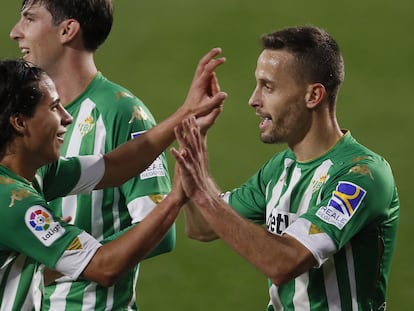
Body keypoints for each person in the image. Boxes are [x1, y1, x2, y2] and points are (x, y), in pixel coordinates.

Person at [171, 26, 400, 310]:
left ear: (313, 96)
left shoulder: (362, 175)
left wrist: (203, 195)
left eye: (268, 87)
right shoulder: (280, 169)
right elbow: (201, 227)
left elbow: (283, 262)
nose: (253, 100)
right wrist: (196, 141)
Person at [0, 50, 226, 310]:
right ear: (19, 122)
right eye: (53, 107)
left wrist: (186, 114)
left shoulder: (36, 172)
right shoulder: (10, 201)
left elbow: (115, 166)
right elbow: (104, 267)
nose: (67, 117)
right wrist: (176, 197)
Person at [9, 0, 177, 309]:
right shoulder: (23, 126)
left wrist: (66, 255)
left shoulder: (123, 113)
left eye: (29, 19)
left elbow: (158, 227)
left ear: (68, 30)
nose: (14, 32)